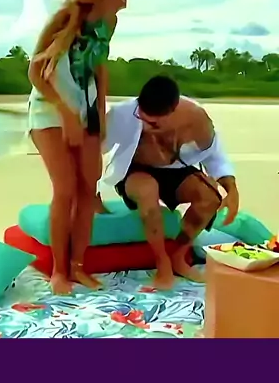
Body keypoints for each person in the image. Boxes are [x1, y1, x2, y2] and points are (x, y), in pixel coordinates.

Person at [27, 0, 136, 295]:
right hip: (50, 110)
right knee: (66, 190)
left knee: (89, 189)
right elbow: (35, 73)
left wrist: (99, 113)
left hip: (85, 110)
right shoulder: (65, 18)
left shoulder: (109, 22)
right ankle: (59, 271)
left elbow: (99, 67)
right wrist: (66, 115)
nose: (125, 3)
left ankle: (78, 266)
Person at [98, 75, 239, 289]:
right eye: (141, 117)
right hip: (136, 170)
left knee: (209, 198)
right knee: (148, 191)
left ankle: (178, 256)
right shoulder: (122, 114)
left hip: (176, 169)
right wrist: (93, 192)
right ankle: (162, 263)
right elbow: (94, 149)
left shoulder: (195, 117)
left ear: (173, 110)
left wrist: (231, 189)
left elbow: (214, 154)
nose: (146, 125)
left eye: (153, 123)